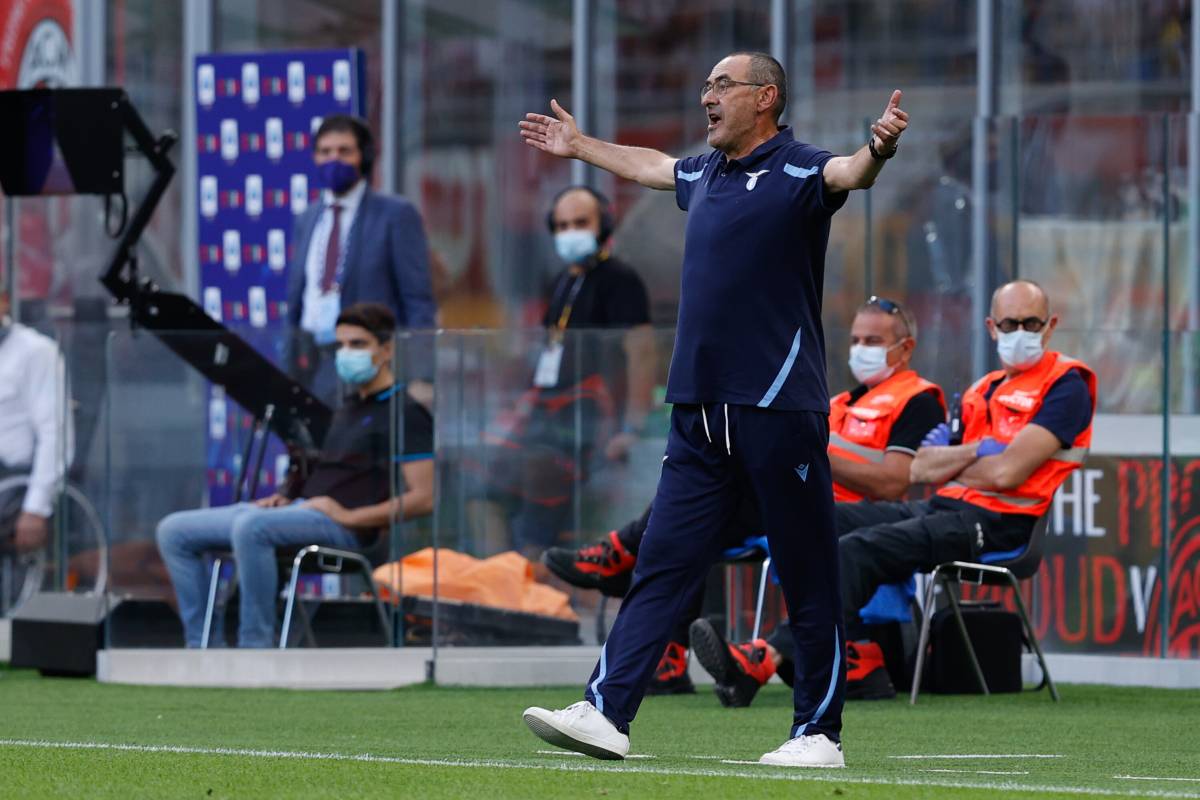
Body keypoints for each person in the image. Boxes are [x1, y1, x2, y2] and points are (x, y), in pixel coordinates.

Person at [518, 51, 909, 767]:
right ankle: (606, 713)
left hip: (776, 407)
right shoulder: (704, 173)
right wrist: (579, 146)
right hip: (698, 411)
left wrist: (878, 146)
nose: (708, 96)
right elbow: (650, 165)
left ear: (766, 97)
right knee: (662, 562)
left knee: (807, 573)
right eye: (705, 84)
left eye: (722, 85)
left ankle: (818, 734)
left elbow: (851, 173)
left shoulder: (799, 169)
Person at [699, 280, 1095, 706]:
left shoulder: (1066, 384)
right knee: (814, 520)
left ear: (1050, 326)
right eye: (1009, 323)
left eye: (1030, 323)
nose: (1020, 332)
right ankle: (858, 655)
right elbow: (922, 468)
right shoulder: (982, 390)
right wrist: (979, 450)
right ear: (991, 327)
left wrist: (963, 462)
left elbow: (1008, 472)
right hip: (944, 506)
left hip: (1000, 525)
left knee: (855, 549)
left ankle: (764, 658)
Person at [544, 296, 945, 700]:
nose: (861, 349)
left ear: (905, 348)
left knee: (717, 501)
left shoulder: (919, 400)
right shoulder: (838, 403)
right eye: (856, 340)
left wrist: (808, 449)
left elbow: (892, 482)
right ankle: (666, 655)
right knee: (701, 508)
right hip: (801, 497)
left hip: (853, 512)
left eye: (873, 341)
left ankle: (622, 554)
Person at [157, 303, 434, 648]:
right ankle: (203, 647)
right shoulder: (346, 408)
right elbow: (324, 471)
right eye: (340, 345)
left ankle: (255, 647)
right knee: (174, 531)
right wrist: (286, 497)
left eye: (358, 344)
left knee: (251, 527)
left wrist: (349, 517)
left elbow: (423, 498)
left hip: (345, 527)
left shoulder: (406, 413)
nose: (346, 353)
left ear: (387, 350)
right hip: (302, 510)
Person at [466, 186, 654, 558]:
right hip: (545, 412)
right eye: (562, 225)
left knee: (542, 517)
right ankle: (503, 577)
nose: (570, 233)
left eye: (581, 223)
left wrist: (632, 426)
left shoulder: (619, 279)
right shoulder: (562, 280)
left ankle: (533, 577)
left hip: (587, 419)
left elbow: (642, 352)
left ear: (604, 226)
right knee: (481, 491)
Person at [285, 115, 437, 401]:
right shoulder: (308, 218)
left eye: (344, 151)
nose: (333, 160)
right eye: (325, 152)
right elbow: (299, 299)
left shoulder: (395, 215)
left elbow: (417, 301)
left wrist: (421, 375)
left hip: (370, 366)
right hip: (312, 367)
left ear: (364, 158)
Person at [0, 286, 72, 562]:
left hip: (12, 485)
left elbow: (56, 432)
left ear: (4, 302)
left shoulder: (35, 352)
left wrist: (36, 507)